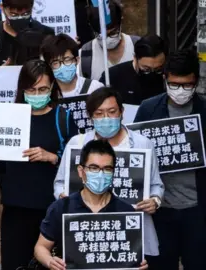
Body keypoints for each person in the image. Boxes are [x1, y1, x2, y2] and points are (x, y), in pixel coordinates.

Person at [0, 59, 78, 270]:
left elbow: (78, 164)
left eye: (42, 89)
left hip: (51, 209)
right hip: (16, 210)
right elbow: (0, 164)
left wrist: (52, 157)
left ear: (52, 88)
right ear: (23, 89)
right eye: (32, 89)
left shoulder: (63, 118)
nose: (37, 94)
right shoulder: (10, 117)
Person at [53, 87, 164, 262]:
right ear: (91, 117)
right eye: (99, 113)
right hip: (87, 232)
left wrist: (155, 201)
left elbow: (156, 185)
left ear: (121, 112)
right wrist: (65, 197)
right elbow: (60, 183)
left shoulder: (143, 144)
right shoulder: (77, 144)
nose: (106, 118)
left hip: (131, 232)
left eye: (112, 112)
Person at [134, 50, 206, 269]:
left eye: (187, 85)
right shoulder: (148, 109)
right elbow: (135, 151)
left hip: (197, 209)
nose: (180, 91)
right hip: (160, 210)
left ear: (196, 82)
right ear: (165, 78)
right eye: (175, 84)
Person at [34, 140, 149, 270]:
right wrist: (49, 261)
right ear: (81, 171)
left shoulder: (126, 212)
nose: (100, 174)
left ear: (113, 173)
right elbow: (41, 247)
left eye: (107, 169)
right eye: (94, 168)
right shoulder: (61, 207)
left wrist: (138, 264)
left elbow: (131, 254)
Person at [0, 0, 54, 98]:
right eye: (13, 14)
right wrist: (4, 71)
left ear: (32, 7)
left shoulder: (45, 35)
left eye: (25, 14)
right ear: (2, 8)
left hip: (39, 101)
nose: (20, 18)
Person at [78, 0, 139, 80]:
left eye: (113, 33)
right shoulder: (85, 55)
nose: (108, 39)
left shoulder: (137, 47)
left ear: (121, 22)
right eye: (101, 35)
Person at [99, 35, 167, 105]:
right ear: (135, 58)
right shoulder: (112, 76)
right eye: (146, 69)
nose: (152, 74)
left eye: (158, 69)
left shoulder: (168, 75)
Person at [40, 33, 103, 98]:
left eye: (67, 60)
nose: (62, 66)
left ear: (77, 60)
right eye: (55, 63)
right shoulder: (44, 94)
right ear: (49, 66)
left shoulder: (94, 88)